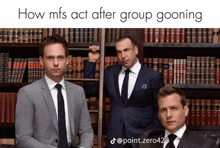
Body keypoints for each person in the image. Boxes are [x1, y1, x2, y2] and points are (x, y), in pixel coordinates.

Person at [84, 36, 164, 148]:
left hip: (142, 140)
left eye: (126, 50)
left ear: (135, 50)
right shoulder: (110, 73)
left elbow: (161, 110)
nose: (123, 56)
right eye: (119, 52)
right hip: (115, 138)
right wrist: (92, 61)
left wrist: (149, 135)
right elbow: (90, 90)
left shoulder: (153, 77)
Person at [15, 35, 94, 148]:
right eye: (50, 58)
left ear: (67, 60)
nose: (56, 63)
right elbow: (23, 138)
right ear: (41, 61)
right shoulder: (27, 93)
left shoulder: (78, 92)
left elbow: (86, 131)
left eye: (60, 57)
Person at [138, 86, 218, 148]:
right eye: (163, 110)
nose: (168, 115)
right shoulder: (146, 144)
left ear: (185, 110)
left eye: (174, 108)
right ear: (159, 114)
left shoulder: (206, 145)